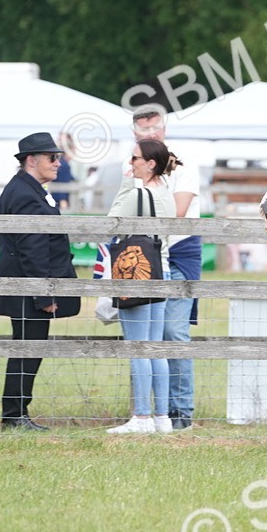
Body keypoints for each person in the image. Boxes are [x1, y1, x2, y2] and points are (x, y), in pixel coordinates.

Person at [0, 133, 81, 430]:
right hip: (28, 289)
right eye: (51, 158)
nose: (58, 162)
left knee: (28, 348)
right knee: (27, 350)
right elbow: (32, 248)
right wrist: (43, 295)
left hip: (27, 287)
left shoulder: (30, 190)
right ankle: (14, 415)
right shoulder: (25, 194)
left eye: (58, 157)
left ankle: (16, 412)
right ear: (31, 160)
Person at [127, 104, 203, 430]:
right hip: (145, 253)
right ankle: (147, 412)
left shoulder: (183, 165)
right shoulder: (132, 167)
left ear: (165, 128)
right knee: (145, 335)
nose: (150, 134)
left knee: (173, 332)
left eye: (155, 128)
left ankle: (180, 410)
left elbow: (179, 212)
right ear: (135, 133)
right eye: (143, 130)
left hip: (179, 251)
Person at [105, 138, 179, 435]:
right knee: (155, 348)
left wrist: (126, 186)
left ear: (150, 164)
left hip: (136, 272)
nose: (130, 164)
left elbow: (112, 223)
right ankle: (162, 417)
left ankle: (142, 417)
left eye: (135, 159)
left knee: (138, 347)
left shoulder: (139, 194)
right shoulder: (166, 193)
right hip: (161, 270)